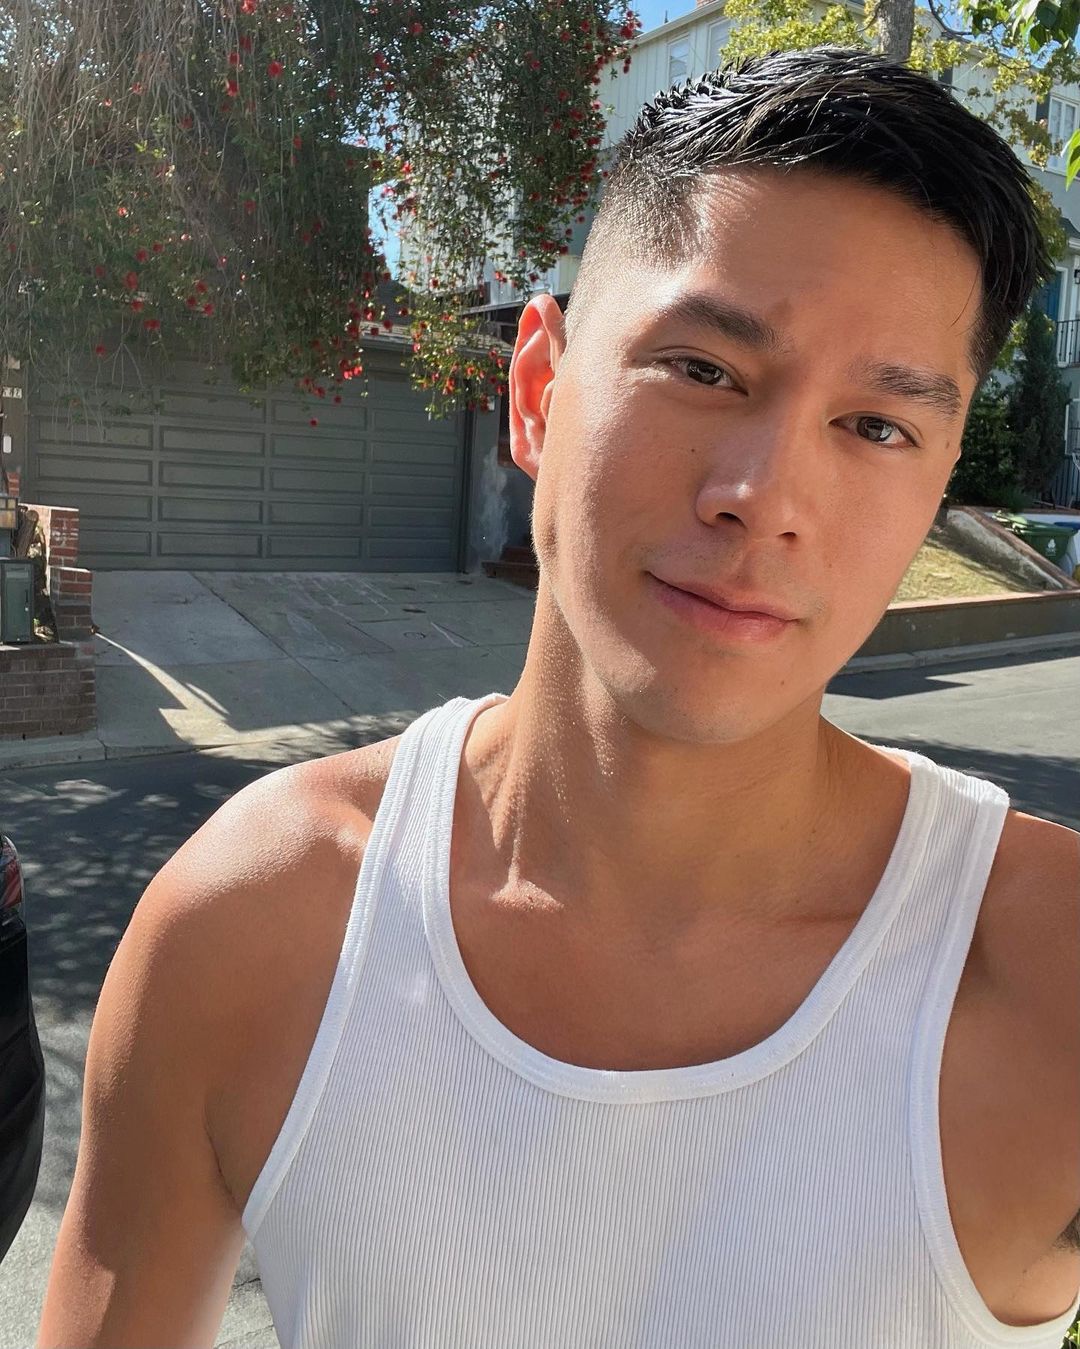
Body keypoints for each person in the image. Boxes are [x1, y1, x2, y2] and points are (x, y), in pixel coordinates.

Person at [37, 46, 1080, 1349]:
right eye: (704, 368)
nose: (763, 497)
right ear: (537, 391)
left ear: (937, 484)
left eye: (878, 427)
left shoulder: (1050, 973)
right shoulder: (252, 920)